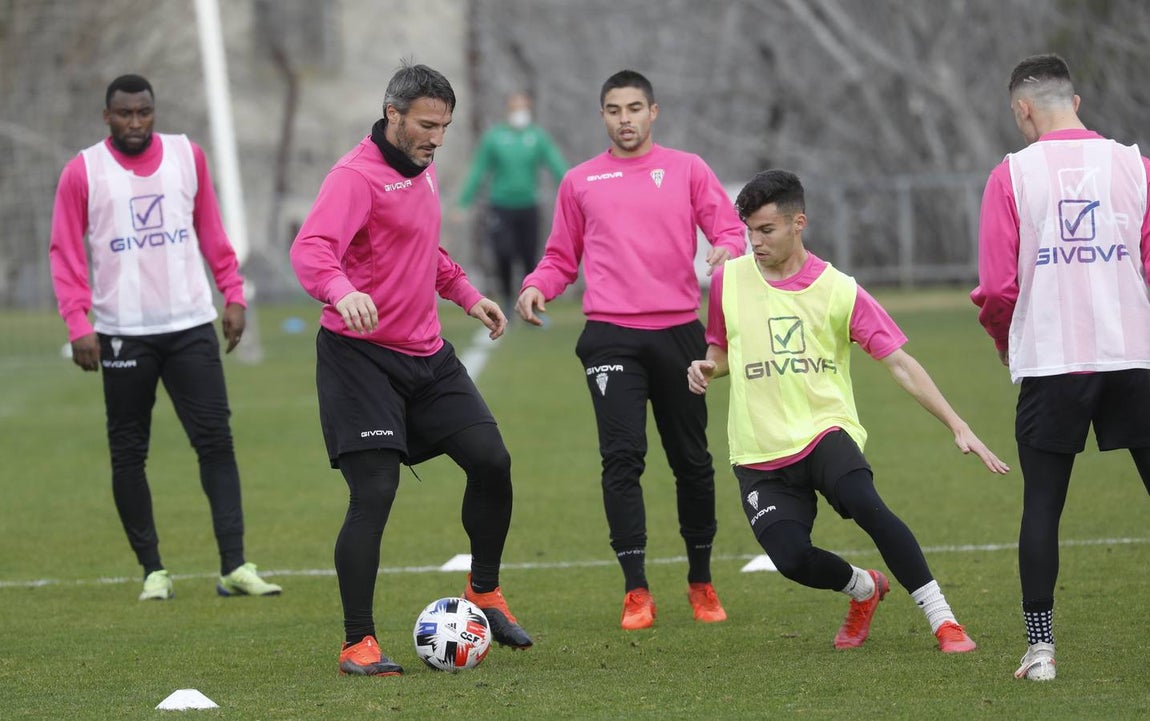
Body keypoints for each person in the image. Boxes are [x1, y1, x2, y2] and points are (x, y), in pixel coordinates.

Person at [688, 170, 1010, 653]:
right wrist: (708, 368)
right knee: (792, 559)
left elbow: (899, 363)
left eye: (766, 230)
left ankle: (944, 621)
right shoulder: (727, 281)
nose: (753, 241)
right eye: (749, 230)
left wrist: (957, 424)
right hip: (758, 449)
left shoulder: (839, 290)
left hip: (824, 430)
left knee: (866, 502)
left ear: (799, 222)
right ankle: (863, 589)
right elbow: (723, 348)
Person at [289, 61, 532, 678]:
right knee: (374, 492)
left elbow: (426, 250)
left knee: (492, 461)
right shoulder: (353, 177)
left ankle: (484, 591)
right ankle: (358, 643)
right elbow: (312, 249)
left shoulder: (422, 171)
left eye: (445, 127)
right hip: (360, 360)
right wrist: (340, 290)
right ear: (392, 114)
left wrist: (468, 295)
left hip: (427, 355)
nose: (436, 138)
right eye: (427, 125)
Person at [516, 69, 745, 630]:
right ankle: (636, 590)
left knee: (692, 463)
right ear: (603, 117)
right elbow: (560, 258)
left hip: (679, 335)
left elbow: (731, 230)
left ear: (652, 112)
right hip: (610, 337)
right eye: (615, 109)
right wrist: (535, 286)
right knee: (622, 460)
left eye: (635, 108)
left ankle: (700, 580)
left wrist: (726, 247)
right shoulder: (580, 181)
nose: (626, 119)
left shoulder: (688, 168)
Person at [48, 74, 281, 602]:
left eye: (144, 112)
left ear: (154, 111)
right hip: (122, 333)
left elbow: (212, 232)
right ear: (107, 116)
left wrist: (234, 294)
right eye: (125, 114)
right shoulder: (83, 171)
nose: (135, 122)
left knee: (216, 443)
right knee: (129, 453)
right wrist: (78, 323)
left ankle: (234, 567)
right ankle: (153, 571)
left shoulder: (186, 156)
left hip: (191, 325)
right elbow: (64, 252)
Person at [971, 53, 1150, 681]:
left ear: (1022, 109)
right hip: (1135, 355)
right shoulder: (1135, 165)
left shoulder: (1012, 175)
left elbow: (996, 288)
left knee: (1043, 505)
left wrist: (1001, 340)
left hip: (1054, 361)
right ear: (1074, 101)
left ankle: (1041, 650)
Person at [455, 91, 568, 309]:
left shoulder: (537, 137)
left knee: (529, 256)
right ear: (509, 110)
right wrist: (463, 203)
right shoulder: (495, 137)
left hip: (528, 206)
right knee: (503, 252)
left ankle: (531, 300)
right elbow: (478, 170)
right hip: (501, 206)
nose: (520, 112)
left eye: (524, 108)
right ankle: (507, 299)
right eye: (516, 108)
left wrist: (577, 190)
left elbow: (557, 165)